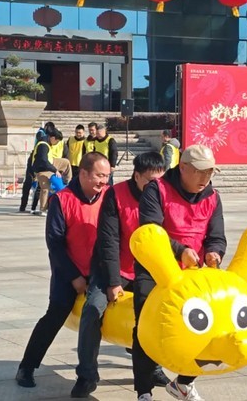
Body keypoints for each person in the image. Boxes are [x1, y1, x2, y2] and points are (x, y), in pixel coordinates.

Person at [72, 152, 169, 398]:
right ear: (136, 176)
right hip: (113, 267)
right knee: (93, 309)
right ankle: (86, 375)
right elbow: (109, 241)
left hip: (147, 269)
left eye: (159, 182)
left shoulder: (164, 195)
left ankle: (154, 368)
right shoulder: (116, 195)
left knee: (160, 313)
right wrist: (114, 282)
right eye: (150, 182)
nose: (155, 187)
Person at [134, 144, 226, 401]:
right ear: (183, 167)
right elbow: (151, 230)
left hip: (193, 272)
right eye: (200, 171)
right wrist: (180, 250)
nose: (205, 178)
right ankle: (144, 391)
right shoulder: (157, 189)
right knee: (146, 326)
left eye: (210, 172)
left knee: (214, 323)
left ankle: (184, 382)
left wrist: (214, 252)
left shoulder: (212, 197)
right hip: (155, 269)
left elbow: (217, 236)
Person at [15, 152, 111, 389]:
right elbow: (55, 244)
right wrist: (74, 277)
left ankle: (151, 369)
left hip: (100, 271)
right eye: (99, 175)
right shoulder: (62, 199)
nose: (104, 181)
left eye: (107, 176)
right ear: (84, 174)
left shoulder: (110, 196)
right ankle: (27, 366)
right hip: (68, 270)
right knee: (56, 314)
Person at [31, 130, 72, 216]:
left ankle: (68, 182)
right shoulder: (43, 145)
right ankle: (42, 209)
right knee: (45, 189)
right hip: (42, 169)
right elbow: (44, 161)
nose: (56, 144)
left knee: (66, 162)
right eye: (57, 141)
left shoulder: (46, 142)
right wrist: (55, 170)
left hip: (50, 163)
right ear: (53, 138)